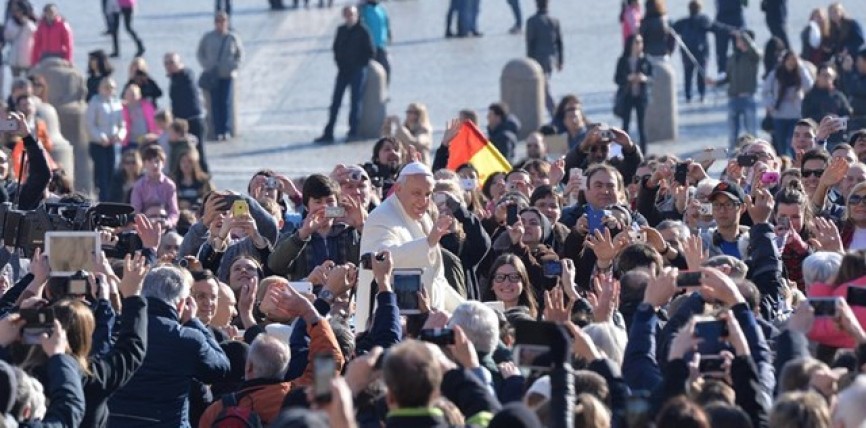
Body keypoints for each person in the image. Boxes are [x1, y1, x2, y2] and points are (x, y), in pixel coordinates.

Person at [108, 266, 231, 427]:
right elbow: (221, 367)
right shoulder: (187, 339)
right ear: (181, 304)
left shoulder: (120, 329)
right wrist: (194, 322)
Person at [356, 162, 465, 331]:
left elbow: (438, 281)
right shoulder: (381, 217)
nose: (423, 201)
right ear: (398, 189)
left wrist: (465, 310)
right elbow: (383, 259)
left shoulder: (424, 218)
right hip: (393, 325)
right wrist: (428, 242)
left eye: (428, 194)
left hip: (427, 321)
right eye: (416, 193)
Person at [314, 5, 374, 144]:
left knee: (355, 102)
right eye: (346, 14)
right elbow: (336, 48)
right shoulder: (341, 30)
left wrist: (360, 65)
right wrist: (340, 63)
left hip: (358, 71)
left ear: (357, 15)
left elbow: (370, 51)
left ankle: (353, 131)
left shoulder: (363, 31)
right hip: (343, 71)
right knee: (335, 102)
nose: (349, 17)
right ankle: (329, 131)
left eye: (351, 14)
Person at [708, 30, 761, 150]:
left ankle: (755, 154)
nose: (738, 43)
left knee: (752, 132)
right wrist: (714, 82)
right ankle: (732, 156)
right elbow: (728, 78)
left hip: (748, 98)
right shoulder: (732, 58)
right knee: (732, 134)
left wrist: (743, 36)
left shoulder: (753, 57)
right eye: (738, 41)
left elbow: (755, 52)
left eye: (741, 41)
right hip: (733, 98)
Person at [197, 11, 243, 142]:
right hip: (213, 76)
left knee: (226, 102)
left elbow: (240, 54)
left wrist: (234, 66)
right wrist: (206, 65)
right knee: (214, 103)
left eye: (223, 21)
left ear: (227, 22)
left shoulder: (232, 37)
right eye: (218, 21)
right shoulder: (208, 37)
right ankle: (217, 130)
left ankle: (226, 129)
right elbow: (200, 53)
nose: (221, 23)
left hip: (227, 75)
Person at [761, 50, 813, 157]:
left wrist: (801, 67)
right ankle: (784, 165)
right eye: (789, 60)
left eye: (794, 60)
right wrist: (770, 105)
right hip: (779, 115)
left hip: (795, 115)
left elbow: (809, 86)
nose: (791, 62)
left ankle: (796, 163)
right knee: (781, 145)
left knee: (793, 142)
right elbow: (765, 91)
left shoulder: (799, 73)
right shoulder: (776, 74)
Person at [164, 52, 208, 172]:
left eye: (172, 62)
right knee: (182, 156)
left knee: (199, 154)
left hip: (193, 121)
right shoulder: (174, 78)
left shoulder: (185, 75)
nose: (169, 66)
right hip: (182, 123)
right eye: (166, 63)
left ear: (180, 63)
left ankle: (206, 183)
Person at [86, 76, 126, 202]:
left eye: (112, 87)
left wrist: (119, 135)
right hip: (99, 144)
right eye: (106, 87)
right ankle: (104, 201)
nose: (109, 90)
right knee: (102, 175)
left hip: (113, 143)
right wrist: (100, 137)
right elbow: (90, 124)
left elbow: (122, 125)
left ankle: (113, 199)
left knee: (112, 173)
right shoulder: (95, 102)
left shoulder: (116, 103)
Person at [614, 34, 652, 152]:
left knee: (642, 126)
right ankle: (622, 150)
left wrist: (644, 78)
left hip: (641, 97)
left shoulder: (645, 60)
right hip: (627, 96)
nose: (639, 45)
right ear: (630, 44)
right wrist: (628, 78)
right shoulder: (623, 60)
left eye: (641, 42)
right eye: (637, 42)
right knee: (625, 125)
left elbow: (652, 78)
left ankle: (644, 152)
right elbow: (617, 79)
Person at [525, 0, 563, 116]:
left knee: (543, 88)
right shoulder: (554, 21)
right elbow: (559, 42)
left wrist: (528, 63)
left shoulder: (532, 21)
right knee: (543, 86)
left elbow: (530, 43)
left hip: (537, 60)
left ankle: (555, 112)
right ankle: (549, 111)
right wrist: (560, 60)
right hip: (550, 60)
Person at [130, 145, 179, 229]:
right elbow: (135, 211)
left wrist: (168, 223)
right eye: (150, 161)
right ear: (144, 164)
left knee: (174, 239)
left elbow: (174, 211)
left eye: (157, 161)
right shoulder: (139, 186)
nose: (154, 165)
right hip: (144, 227)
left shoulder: (169, 185)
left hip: (165, 226)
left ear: (163, 163)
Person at [672, 0, 711, 103]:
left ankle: (688, 96)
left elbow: (671, 29)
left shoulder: (683, 22)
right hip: (701, 52)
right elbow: (715, 27)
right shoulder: (704, 20)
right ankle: (702, 95)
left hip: (687, 53)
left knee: (687, 75)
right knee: (701, 75)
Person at [801, 64, 853, 133]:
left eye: (830, 76)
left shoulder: (838, 96)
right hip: (816, 135)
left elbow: (848, 114)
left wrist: (837, 120)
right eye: (824, 75)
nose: (827, 78)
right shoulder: (810, 96)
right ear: (818, 76)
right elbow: (806, 116)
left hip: (836, 137)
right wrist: (825, 117)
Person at [4, 0, 38, 79]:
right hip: (14, 58)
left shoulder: (30, 24)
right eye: (15, 11)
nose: (17, 13)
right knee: (15, 81)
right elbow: (7, 36)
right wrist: (17, 27)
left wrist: (25, 23)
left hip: (28, 58)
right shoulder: (11, 23)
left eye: (19, 11)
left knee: (29, 80)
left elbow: (35, 34)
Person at [360, 0, 391, 83]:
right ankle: (369, 94)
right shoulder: (363, 10)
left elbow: (386, 22)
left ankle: (383, 92)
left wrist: (389, 34)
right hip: (369, 47)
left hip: (381, 45)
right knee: (370, 72)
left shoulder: (381, 8)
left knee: (386, 69)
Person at [713, 0, 745, 74]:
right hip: (735, 18)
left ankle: (723, 72)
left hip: (724, 17)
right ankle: (736, 72)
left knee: (722, 50)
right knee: (737, 49)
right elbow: (745, 3)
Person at [121, 83, 158, 148]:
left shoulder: (147, 106)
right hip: (130, 142)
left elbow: (155, 122)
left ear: (139, 95)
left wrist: (155, 135)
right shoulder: (122, 108)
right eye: (129, 94)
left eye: (133, 95)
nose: (131, 97)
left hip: (146, 141)